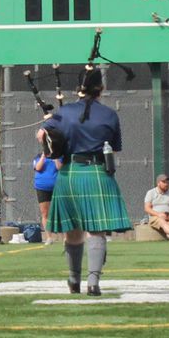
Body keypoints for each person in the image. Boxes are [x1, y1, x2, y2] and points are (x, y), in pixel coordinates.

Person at [45, 65, 129, 295]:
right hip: (98, 172)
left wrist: (56, 138)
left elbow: (44, 137)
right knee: (97, 229)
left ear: (78, 89)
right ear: (100, 89)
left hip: (69, 173)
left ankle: (74, 280)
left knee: (72, 230)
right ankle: (94, 282)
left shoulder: (63, 113)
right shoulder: (110, 115)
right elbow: (115, 148)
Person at [32, 127, 60, 232]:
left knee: (60, 211)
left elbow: (59, 167)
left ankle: (63, 236)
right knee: (45, 212)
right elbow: (38, 168)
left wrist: (55, 157)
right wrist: (44, 156)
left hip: (57, 186)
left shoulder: (58, 155)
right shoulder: (38, 156)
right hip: (42, 187)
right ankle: (49, 236)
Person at [142, 174, 169, 242]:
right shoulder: (151, 193)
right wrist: (159, 214)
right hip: (155, 217)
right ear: (158, 183)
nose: (166, 184)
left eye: (167, 182)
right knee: (162, 221)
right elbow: (147, 208)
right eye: (163, 182)